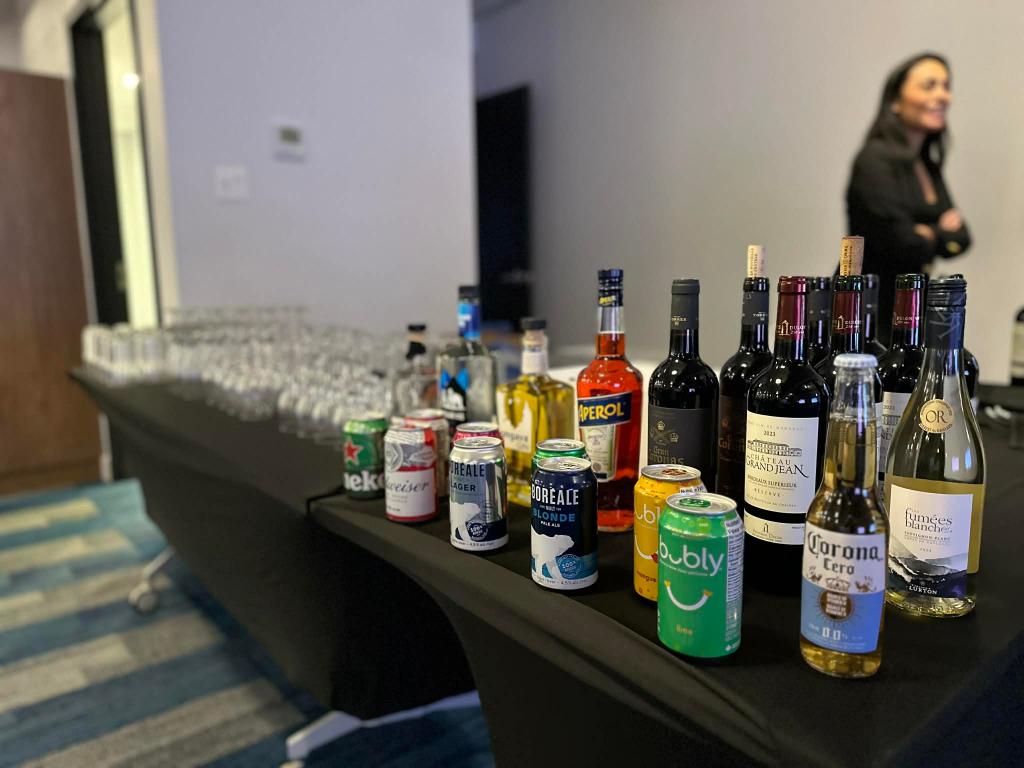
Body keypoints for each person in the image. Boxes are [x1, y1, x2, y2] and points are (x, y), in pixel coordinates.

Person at [845, 52, 971, 344]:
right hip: (868, 317)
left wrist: (926, 234)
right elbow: (900, 242)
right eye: (929, 86)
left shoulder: (926, 164)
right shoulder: (874, 160)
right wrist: (940, 232)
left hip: (911, 313)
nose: (943, 96)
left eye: (946, 86)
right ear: (895, 101)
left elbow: (963, 238)